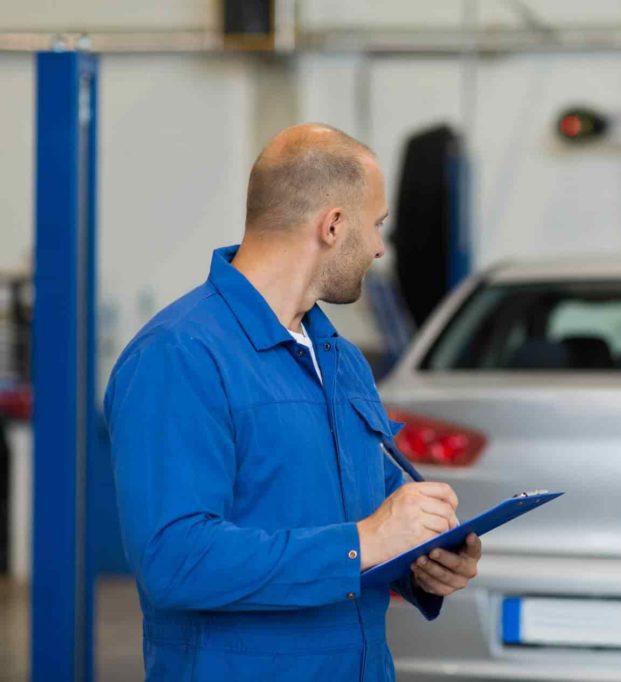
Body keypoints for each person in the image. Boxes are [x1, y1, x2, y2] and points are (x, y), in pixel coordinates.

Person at [104, 123, 482, 681]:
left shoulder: (340, 358)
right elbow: (175, 559)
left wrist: (423, 558)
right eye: (375, 226)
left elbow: (375, 502)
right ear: (332, 225)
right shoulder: (180, 355)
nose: (379, 248)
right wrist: (366, 542)